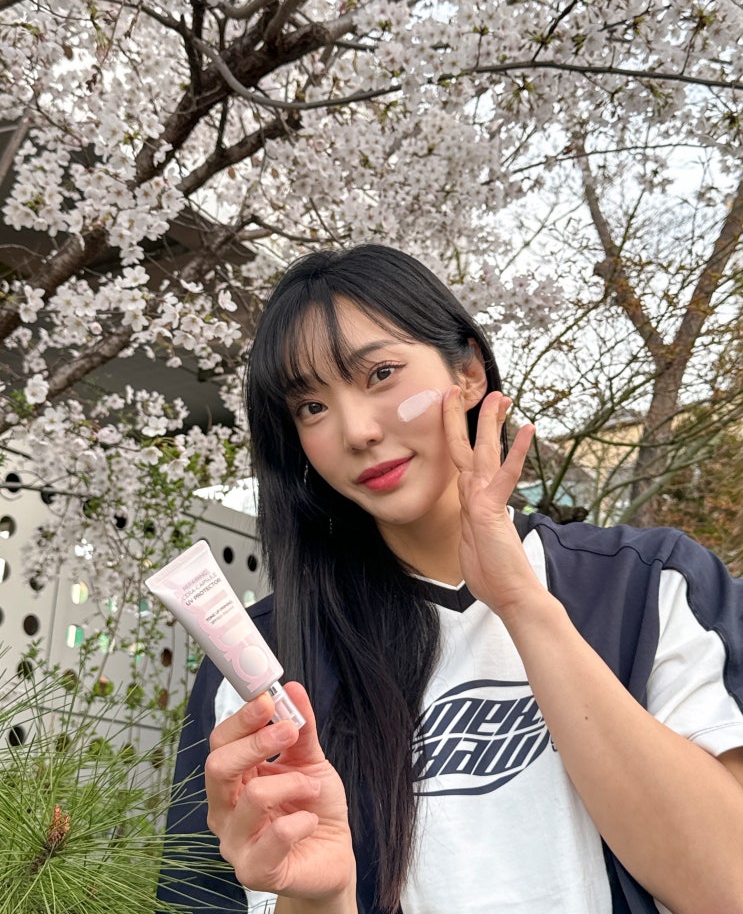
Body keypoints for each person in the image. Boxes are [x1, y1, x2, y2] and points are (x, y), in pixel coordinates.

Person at [157, 244, 743, 914]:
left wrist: (522, 604)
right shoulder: (262, 663)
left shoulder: (647, 586)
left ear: (466, 372)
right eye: (311, 408)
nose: (356, 431)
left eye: (381, 373)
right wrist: (322, 897)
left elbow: (728, 885)